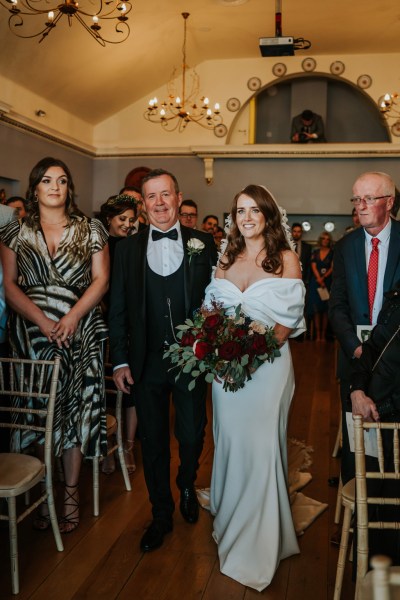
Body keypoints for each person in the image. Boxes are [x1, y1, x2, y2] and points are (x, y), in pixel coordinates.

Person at [109, 168, 217, 553]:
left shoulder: (204, 243)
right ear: (143, 205)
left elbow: (218, 300)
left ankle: (187, 481)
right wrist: (120, 360)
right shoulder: (125, 249)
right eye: (150, 197)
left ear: (178, 196)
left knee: (191, 434)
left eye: (165, 195)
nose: (158, 203)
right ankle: (160, 513)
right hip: (146, 361)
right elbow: (117, 308)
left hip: (191, 360)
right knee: (152, 440)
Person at [204, 184, 306, 591]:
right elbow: (211, 315)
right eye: (239, 211)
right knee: (229, 441)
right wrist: (222, 356)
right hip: (226, 370)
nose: (246, 218)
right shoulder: (225, 259)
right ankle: (231, 519)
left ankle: (261, 539)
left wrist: (252, 354)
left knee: (262, 445)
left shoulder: (285, 258)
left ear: (267, 216)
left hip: (267, 370)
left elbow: (286, 323)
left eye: (254, 211)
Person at [0, 157, 109, 533]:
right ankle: (44, 494)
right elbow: (10, 285)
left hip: (78, 336)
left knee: (73, 416)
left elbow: (101, 280)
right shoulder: (15, 232)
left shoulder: (90, 229)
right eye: (47, 181)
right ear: (34, 188)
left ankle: (71, 496)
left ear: (69, 188)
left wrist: (73, 316)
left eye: (62, 181)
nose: (55, 187)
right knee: (36, 416)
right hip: (30, 338)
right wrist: (43, 321)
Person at [329, 171, 400, 486]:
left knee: (390, 447)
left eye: (369, 198)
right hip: (354, 357)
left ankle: (387, 518)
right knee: (356, 447)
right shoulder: (345, 246)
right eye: (357, 199)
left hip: (395, 363)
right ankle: (357, 517)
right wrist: (356, 348)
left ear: (390, 201)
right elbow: (337, 306)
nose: (361, 205)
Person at [349, 281, 400, 566]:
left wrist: (380, 407)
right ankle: (367, 575)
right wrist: (357, 390)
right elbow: (373, 346)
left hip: (388, 417)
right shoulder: (396, 296)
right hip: (373, 416)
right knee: (371, 497)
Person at [99, 193, 138, 474]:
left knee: (130, 389)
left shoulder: (135, 248)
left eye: (131, 220)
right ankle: (106, 448)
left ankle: (127, 445)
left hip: (129, 326)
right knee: (104, 391)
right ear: (108, 220)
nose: (127, 224)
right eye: (122, 219)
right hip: (102, 324)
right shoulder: (97, 246)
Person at [307, 231, 334, 341]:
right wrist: (319, 278)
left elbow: (333, 267)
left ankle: (323, 336)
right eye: (323, 238)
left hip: (327, 283)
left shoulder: (332, 252)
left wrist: (323, 278)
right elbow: (313, 266)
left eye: (327, 239)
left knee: (326, 310)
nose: (325, 241)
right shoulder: (315, 252)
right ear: (320, 239)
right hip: (316, 283)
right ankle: (318, 336)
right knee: (316, 310)